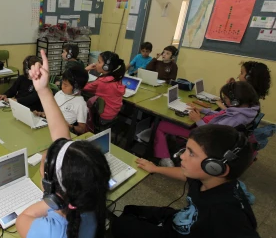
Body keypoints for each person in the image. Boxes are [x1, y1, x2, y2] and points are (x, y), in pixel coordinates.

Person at [16, 49, 111, 238]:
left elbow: (23, 218)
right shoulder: (89, 202)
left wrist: (52, 201)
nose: (45, 156)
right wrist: (43, 89)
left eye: (46, 161)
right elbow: (62, 138)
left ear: (51, 187)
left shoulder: (51, 230)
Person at [112, 125, 260, 238]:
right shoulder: (205, 177)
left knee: (120, 225)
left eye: (191, 153)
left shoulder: (227, 214)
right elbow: (184, 174)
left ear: (215, 167)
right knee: (129, 209)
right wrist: (155, 169)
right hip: (178, 219)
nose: (182, 156)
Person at [154, 81, 260, 167]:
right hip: (206, 127)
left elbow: (213, 133)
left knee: (162, 125)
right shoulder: (244, 110)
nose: (225, 101)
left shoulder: (237, 118)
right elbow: (222, 113)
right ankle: (175, 143)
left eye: (226, 99)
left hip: (204, 134)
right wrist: (202, 110)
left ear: (235, 101)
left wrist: (198, 120)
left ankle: (165, 159)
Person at [34, 66, 89, 135]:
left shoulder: (80, 104)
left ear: (77, 88)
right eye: (62, 83)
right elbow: (51, 111)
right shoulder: (59, 93)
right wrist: (41, 114)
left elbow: (82, 129)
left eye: (66, 85)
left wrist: (70, 126)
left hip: (62, 132)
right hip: (48, 125)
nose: (62, 86)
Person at [83, 51, 126, 122]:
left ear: (106, 67)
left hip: (102, 116)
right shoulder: (116, 78)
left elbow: (82, 86)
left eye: (99, 62)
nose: (96, 64)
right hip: (113, 113)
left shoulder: (102, 81)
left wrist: (86, 69)